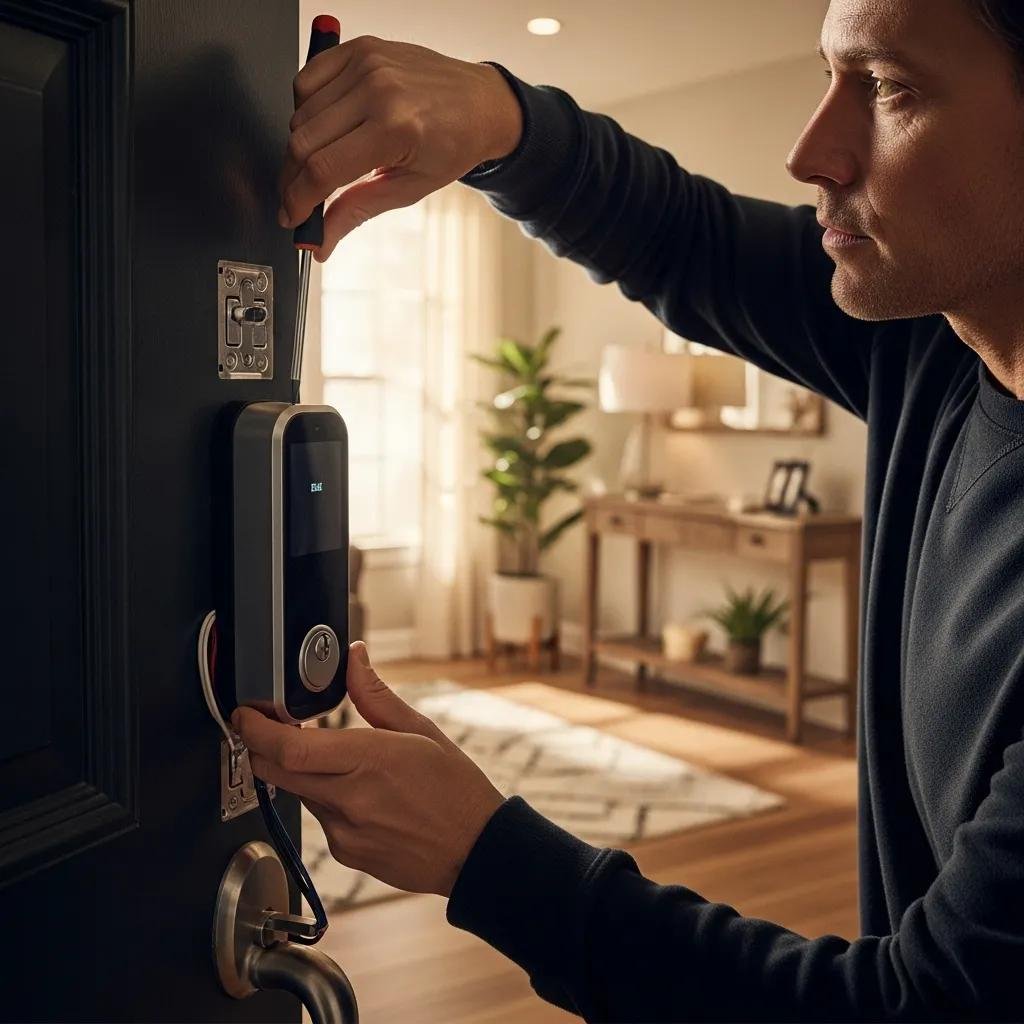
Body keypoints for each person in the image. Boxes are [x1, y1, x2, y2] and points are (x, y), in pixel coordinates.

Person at [232, 0, 1024, 1018]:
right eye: (828, 76)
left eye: (889, 89)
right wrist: (494, 118)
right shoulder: (932, 346)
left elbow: (918, 1006)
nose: (808, 151)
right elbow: (681, 238)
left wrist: (487, 855)